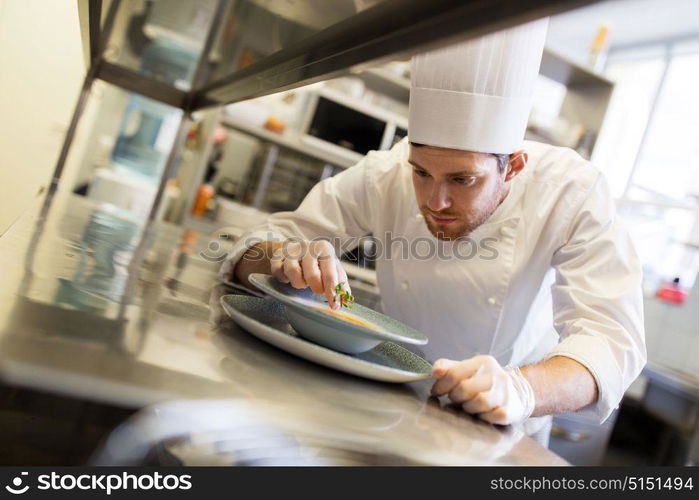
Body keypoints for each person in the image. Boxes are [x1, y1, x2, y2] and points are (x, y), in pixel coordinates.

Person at [218, 18, 646, 444]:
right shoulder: (386, 171)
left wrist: (521, 389)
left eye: (462, 180)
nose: (434, 200)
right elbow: (249, 248)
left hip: (498, 435)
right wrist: (283, 258)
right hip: (384, 402)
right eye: (421, 172)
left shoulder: (571, 191)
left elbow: (612, 342)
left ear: (512, 166)